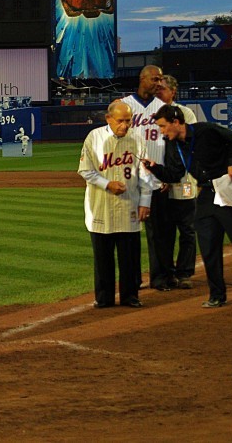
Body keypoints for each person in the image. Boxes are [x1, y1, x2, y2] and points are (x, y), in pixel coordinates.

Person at [145, 105, 232, 308]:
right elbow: (175, 174)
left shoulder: (206, 130)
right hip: (206, 195)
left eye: (163, 126)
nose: (161, 131)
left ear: (176, 122)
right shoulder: (174, 145)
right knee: (208, 246)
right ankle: (217, 295)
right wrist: (155, 168)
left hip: (229, 190)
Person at [78, 101, 152, 308]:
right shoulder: (94, 138)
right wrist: (106, 183)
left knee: (130, 256)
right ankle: (104, 298)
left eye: (128, 120)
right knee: (103, 258)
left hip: (129, 204)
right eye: (120, 121)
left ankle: (131, 296)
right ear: (108, 119)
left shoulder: (137, 139)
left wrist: (145, 202)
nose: (125, 125)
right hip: (101, 205)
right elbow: (85, 170)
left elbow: (145, 174)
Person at [121, 65, 172, 291]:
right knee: (128, 235)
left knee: (158, 234)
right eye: (154, 78)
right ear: (142, 79)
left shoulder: (163, 107)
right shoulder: (123, 106)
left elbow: (170, 142)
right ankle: (132, 280)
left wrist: (167, 174)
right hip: (130, 179)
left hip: (156, 179)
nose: (158, 83)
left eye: (160, 79)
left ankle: (159, 278)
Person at [159, 75, 198, 288]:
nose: (159, 92)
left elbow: (188, 146)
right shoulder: (152, 116)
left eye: (163, 89)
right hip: (161, 183)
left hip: (183, 181)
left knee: (186, 229)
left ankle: (184, 273)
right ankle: (166, 274)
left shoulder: (186, 113)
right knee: (164, 232)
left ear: (173, 91)